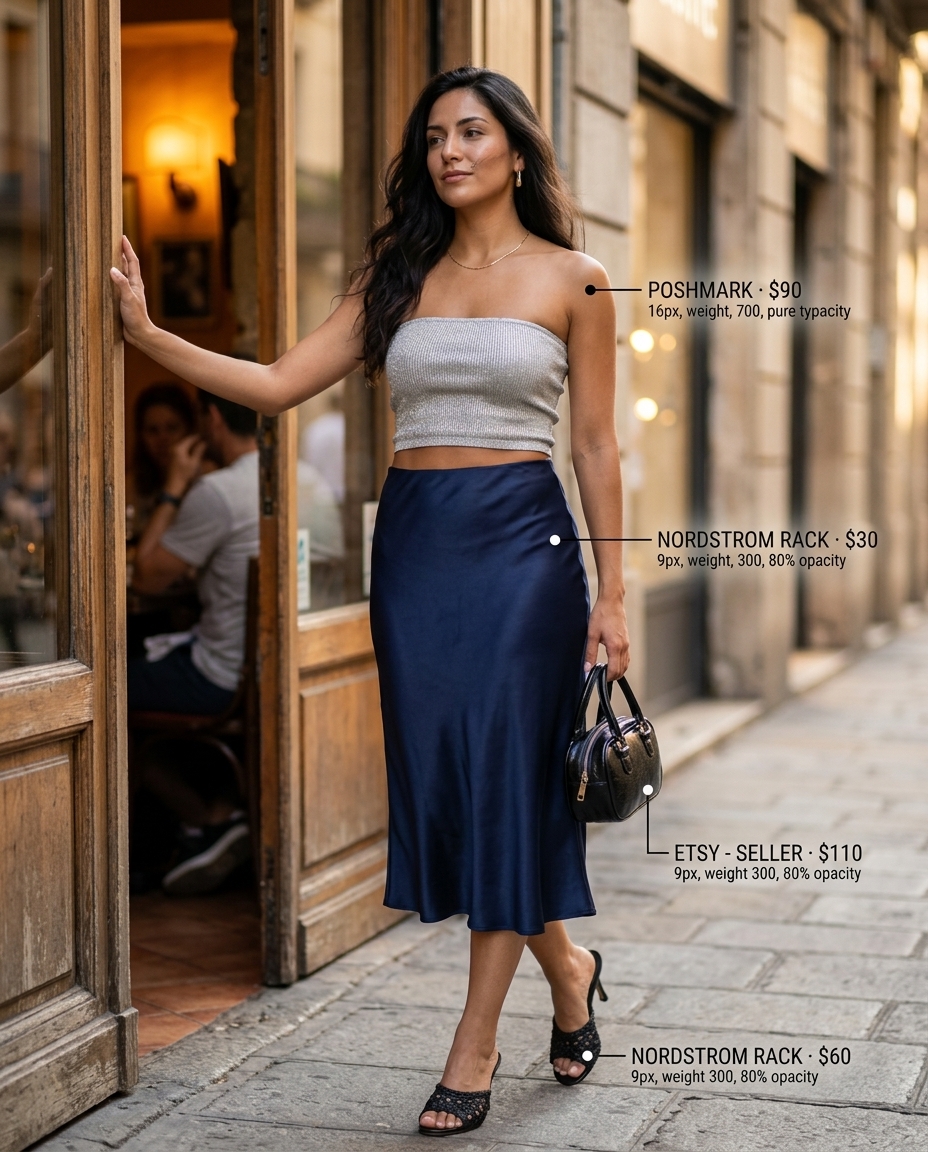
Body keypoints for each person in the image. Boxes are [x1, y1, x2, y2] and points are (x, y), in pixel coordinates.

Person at [112, 66, 629, 1135]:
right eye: (434, 135)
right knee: (458, 789)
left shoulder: (577, 280)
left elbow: (594, 445)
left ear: (516, 154)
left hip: (524, 551)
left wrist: (612, 592)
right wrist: (147, 335)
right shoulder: (397, 276)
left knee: (501, 780)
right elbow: (274, 384)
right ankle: (568, 969)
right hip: (417, 553)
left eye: (472, 132)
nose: (448, 151)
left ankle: (472, 1047)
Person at [127, 390, 259, 895]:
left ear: (209, 420)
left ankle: (207, 820)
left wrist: (177, 486)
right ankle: (214, 818)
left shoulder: (215, 491)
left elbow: (145, 580)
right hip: (258, 665)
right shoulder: (295, 476)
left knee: (98, 697)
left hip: (219, 675)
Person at [127, 382, 198, 537]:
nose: (162, 439)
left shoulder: (205, 482)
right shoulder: (131, 486)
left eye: (172, 428)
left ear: (189, 430)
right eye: (153, 430)